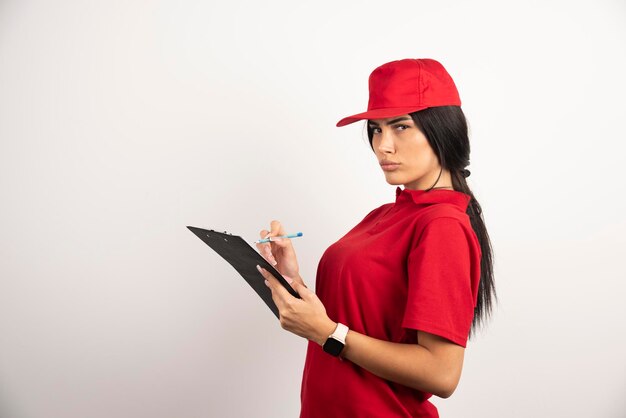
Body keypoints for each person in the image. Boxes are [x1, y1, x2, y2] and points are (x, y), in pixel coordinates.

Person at [255, 58, 496, 418]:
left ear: (443, 130)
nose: (383, 146)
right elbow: (353, 319)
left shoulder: (442, 224)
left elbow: (442, 373)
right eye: (376, 129)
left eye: (401, 127)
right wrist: (292, 280)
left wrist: (329, 334)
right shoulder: (388, 214)